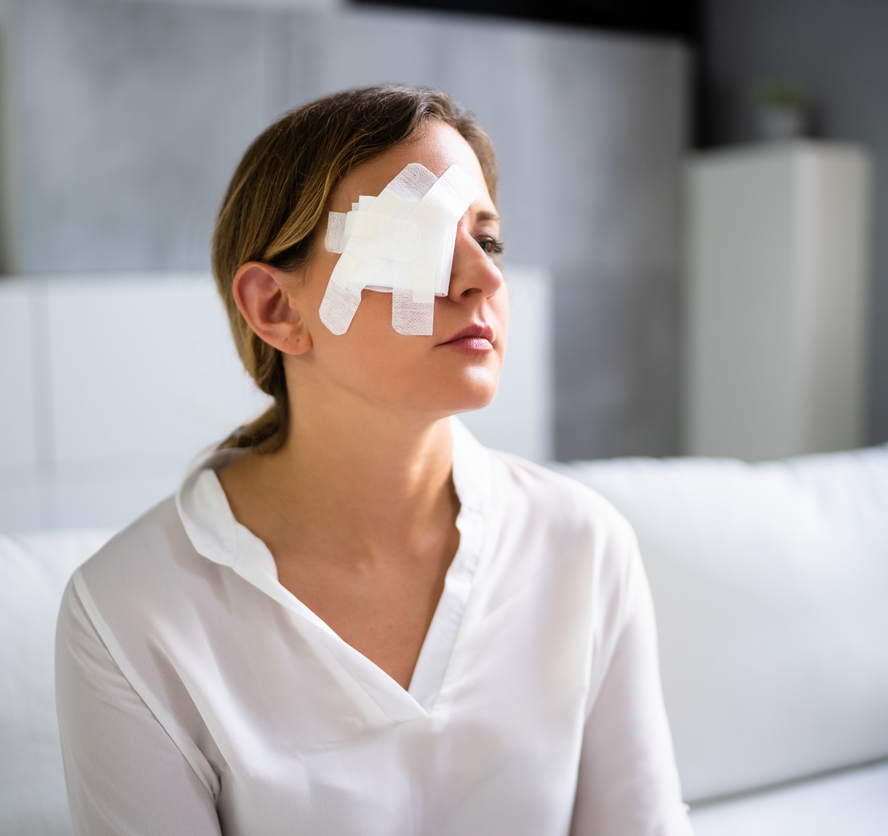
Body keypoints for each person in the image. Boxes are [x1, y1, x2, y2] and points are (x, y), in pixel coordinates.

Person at [54, 85, 694, 836]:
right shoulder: (130, 611)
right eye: (419, 237)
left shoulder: (583, 545)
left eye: (487, 240)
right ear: (278, 310)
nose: (483, 279)